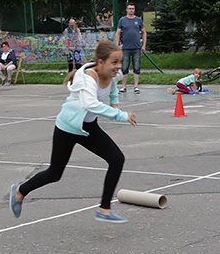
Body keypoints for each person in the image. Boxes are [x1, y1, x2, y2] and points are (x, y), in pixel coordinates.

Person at [9, 39, 136, 224]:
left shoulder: (111, 75)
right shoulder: (87, 78)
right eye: (114, 62)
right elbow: (90, 103)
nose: (118, 66)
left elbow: (113, 89)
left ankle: (104, 209)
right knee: (54, 173)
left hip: (87, 127)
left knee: (117, 159)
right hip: (68, 127)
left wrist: (116, 105)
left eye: (120, 62)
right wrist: (120, 115)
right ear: (101, 62)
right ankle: (20, 191)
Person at [113, 2, 147, 93]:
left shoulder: (138, 20)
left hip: (136, 48)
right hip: (126, 48)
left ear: (134, 10)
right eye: (129, 8)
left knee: (137, 66)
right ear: (127, 10)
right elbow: (118, 32)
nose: (131, 10)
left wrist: (144, 45)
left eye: (132, 8)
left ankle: (136, 86)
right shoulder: (122, 20)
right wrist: (117, 45)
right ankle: (124, 86)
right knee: (124, 67)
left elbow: (144, 32)